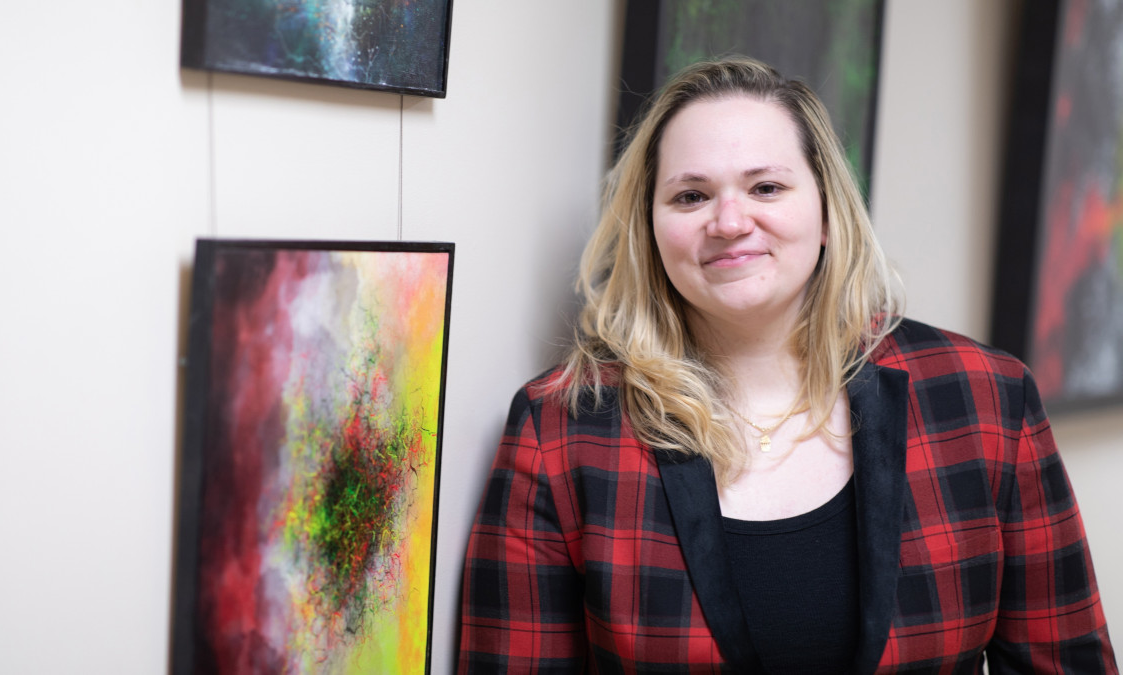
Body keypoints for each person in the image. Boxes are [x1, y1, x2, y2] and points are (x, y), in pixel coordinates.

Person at [458, 55, 1117, 673]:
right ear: (649, 228)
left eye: (766, 186)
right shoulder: (563, 432)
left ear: (828, 211)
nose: (729, 221)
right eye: (690, 196)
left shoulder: (983, 400)